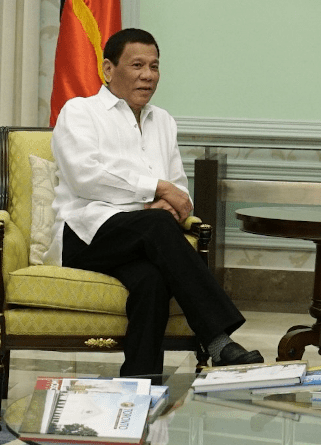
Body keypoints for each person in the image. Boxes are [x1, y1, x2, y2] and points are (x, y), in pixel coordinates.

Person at [43, 28, 263, 376]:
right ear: (108, 69)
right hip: (86, 235)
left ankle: (138, 386)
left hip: (145, 241)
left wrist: (168, 200)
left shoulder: (163, 121)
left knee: (152, 281)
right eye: (137, 65)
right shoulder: (80, 112)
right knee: (158, 225)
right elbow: (84, 177)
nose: (148, 75)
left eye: (154, 66)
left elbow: (180, 192)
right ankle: (218, 340)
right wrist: (155, 191)